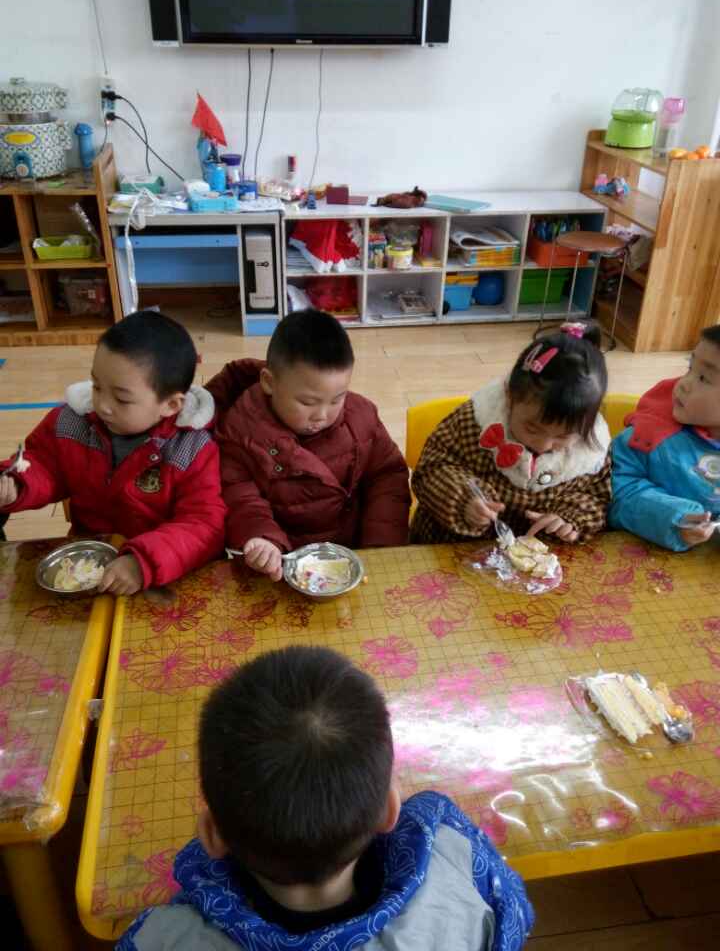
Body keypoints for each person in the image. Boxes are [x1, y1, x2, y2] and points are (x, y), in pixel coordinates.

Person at [116, 645, 534, 950]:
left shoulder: (164, 939)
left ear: (211, 834)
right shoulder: (453, 857)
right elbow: (514, 915)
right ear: (390, 810)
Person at [0, 311, 226, 593]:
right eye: (97, 386)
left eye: (121, 398)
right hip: (88, 566)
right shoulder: (71, 423)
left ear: (170, 405)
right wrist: (17, 483)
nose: (103, 405)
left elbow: (203, 525)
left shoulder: (191, 449)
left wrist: (142, 562)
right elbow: (43, 464)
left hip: (162, 573)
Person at [207, 310, 410, 581]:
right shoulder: (239, 433)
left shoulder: (361, 416)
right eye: (307, 402)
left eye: (337, 399)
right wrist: (262, 539)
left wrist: (381, 544)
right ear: (269, 382)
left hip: (355, 554)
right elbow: (240, 499)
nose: (322, 415)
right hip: (284, 563)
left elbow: (388, 476)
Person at [410, 322, 611, 544]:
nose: (543, 445)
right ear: (509, 396)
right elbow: (430, 468)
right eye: (532, 428)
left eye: (563, 437)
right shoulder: (473, 422)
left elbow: (596, 497)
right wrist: (463, 501)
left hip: (535, 557)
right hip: (451, 545)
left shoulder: (591, 453)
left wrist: (569, 519)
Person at [609, 324, 720, 550]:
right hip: (636, 552)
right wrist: (675, 519)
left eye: (703, 378)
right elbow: (615, 493)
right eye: (690, 368)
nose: (683, 384)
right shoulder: (648, 435)